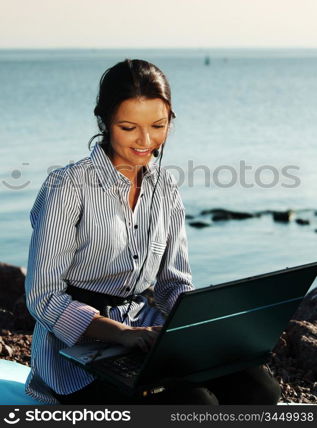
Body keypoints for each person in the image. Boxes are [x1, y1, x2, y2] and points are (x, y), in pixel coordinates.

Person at [25, 59, 281, 405]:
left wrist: (207, 329)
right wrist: (120, 333)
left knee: (260, 390)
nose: (146, 141)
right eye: (129, 127)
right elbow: (43, 296)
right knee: (195, 404)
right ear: (104, 121)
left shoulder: (166, 186)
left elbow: (174, 284)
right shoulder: (68, 187)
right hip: (76, 350)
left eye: (158, 125)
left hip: (148, 333)